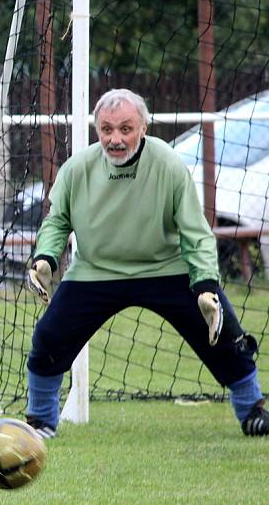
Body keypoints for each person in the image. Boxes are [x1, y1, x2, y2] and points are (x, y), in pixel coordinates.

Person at [24, 88, 268, 438]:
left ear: (144, 128)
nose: (116, 139)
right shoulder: (77, 169)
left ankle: (252, 411)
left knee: (224, 331)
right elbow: (57, 220)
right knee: (48, 337)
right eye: (107, 130)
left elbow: (195, 232)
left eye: (126, 128)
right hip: (96, 270)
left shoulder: (169, 164)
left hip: (166, 268)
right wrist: (45, 258)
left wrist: (205, 285)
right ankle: (41, 422)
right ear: (97, 130)